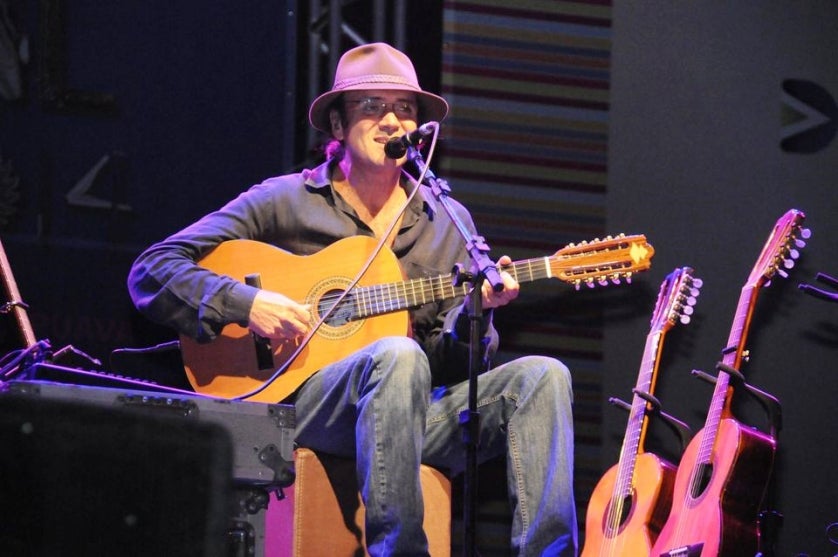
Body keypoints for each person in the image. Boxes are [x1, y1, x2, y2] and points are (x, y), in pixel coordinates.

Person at [128, 42, 577, 556]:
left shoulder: (445, 219)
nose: (391, 120)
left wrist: (475, 317)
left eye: (404, 108)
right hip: (302, 405)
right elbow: (153, 270)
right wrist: (247, 305)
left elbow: (451, 364)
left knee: (543, 376)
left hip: (410, 416)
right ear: (337, 127)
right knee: (396, 355)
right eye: (372, 106)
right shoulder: (286, 200)